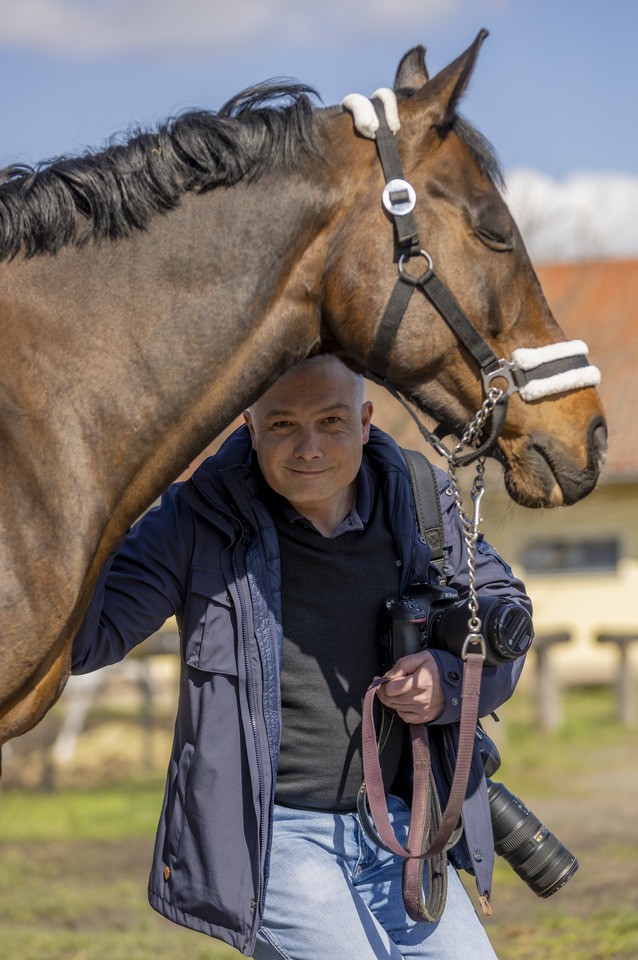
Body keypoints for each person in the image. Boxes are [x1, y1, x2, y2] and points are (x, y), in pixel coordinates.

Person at [72, 354, 531, 959]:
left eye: (332, 422)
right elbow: (87, 639)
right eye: (283, 424)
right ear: (250, 426)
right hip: (275, 835)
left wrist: (447, 684)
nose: (308, 448)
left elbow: (501, 614)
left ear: (366, 422)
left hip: (400, 826)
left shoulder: (419, 497)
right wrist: (86, 510)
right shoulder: (195, 518)